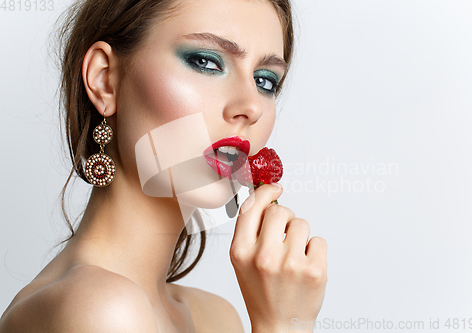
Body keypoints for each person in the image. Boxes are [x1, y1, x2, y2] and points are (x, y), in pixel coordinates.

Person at [0, 0, 327, 331]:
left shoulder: (215, 317)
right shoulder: (101, 308)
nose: (251, 106)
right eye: (206, 61)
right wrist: (282, 325)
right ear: (104, 79)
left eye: (265, 80)